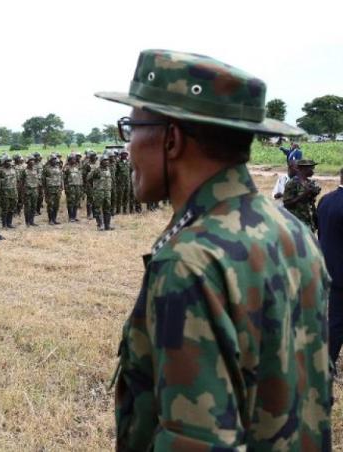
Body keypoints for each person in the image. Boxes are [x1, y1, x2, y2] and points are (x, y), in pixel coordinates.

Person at [96, 49, 330, 450]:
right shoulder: (290, 230)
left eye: (130, 130)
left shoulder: (191, 260)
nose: (128, 149)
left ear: (170, 139)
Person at [318, 168, 343, 370]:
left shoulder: (325, 200)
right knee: (337, 323)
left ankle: (328, 363)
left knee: (335, 320)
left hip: (329, 268)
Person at [283, 159, 322, 232]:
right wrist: (304, 194)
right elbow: (287, 204)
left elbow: (309, 202)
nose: (313, 171)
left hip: (309, 222)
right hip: (297, 223)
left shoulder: (310, 183)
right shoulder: (292, 183)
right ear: (303, 169)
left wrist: (313, 194)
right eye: (311, 168)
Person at [88, 154, 114, 231]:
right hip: (99, 192)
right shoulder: (97, 170)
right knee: (98, 209)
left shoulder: (108, 170)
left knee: (107, 208)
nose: (106, 162)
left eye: (107, 160)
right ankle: (100, 225)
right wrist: (94, 188)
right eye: (104, 161)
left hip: (107, 192)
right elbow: (89, 178)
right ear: (101, 162)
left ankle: (107, 225)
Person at [41, 155, 64, 225]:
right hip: (50, 189)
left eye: (55, 159)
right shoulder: (46, 168)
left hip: (57, 188)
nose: (55, 161)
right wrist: (45, 188)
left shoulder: (58, 168)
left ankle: (54, 219)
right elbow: (43, 179)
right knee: (50, 205)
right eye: (53, 160)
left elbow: (61, 177)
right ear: (50, 161)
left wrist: (62, 186)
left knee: (56, 205)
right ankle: (50, 219)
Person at [19, 158, 40, 227]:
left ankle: (32, 221)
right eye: (31, 161)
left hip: (34, 190)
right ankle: (27, 222)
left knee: (34, 206)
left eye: (33, 160)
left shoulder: (35, 170)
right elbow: (21, 181)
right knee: (27, 207)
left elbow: (37, 180)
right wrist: (22, 191)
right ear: (28, 162)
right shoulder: (24, 171)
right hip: (27, 191)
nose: (32, 162)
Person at [0, 156, 18, 228]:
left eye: (10, 161)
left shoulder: (13, 169)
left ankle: (9, 223)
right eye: (7, 161)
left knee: (12, 208)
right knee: (5, 208)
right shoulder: (0, 170)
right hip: (4, 192)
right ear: (4, 162)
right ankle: (4, 224)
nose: (9, 163)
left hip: (13, 191)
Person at [63, 153, 83, 222]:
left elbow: (80, 176)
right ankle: (70, 217)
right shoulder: (66, 168)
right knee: (70, 202)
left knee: (76, 202)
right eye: (72, 159)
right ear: (69, 160)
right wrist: (66, 188)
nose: (74, 160)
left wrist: (81, 185)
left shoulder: (78, 166)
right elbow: (64, 179)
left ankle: (74, 216)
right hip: (70, 187)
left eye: (74, 159)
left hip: (77, 186)